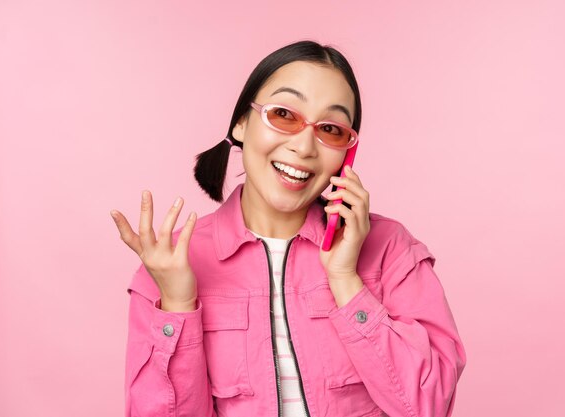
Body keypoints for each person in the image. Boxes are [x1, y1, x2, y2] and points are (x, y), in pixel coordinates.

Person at [110, 40, 466, 417]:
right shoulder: (171, 262)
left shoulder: (391, 249)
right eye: (283, 114)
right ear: (241, 124)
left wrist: (346, 281)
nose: (304, 146)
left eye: (330, 128)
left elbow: (427, 406)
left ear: (347, 153)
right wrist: (178, 305)